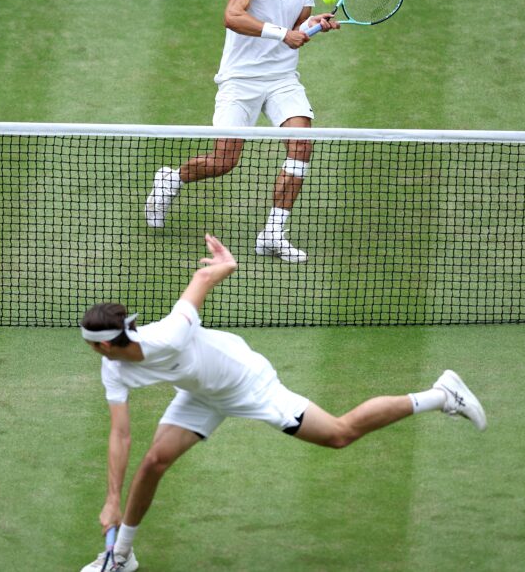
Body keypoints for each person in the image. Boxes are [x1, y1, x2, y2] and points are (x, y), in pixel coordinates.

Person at [78, 234, 486, 571]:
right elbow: (120, 433)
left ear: (109, 344)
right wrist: (112, 499)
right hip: (202, 393)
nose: (92, 352)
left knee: (339, 434)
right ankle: (121, 556)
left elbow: (203, 281)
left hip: (246, 380)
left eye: (93, 346)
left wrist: (227, 262)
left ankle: (441, 395)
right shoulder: (114, 368)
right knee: (154, 461)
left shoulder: (169, 333)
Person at [144, 0, 340, 264]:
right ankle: (171, 179)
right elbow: (233, 16)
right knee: (224, 160)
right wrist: (284, 34)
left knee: (302, 146)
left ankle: (273, 233)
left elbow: (296, 24)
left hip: (282, 78)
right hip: (240, 79)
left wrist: (313, 24)